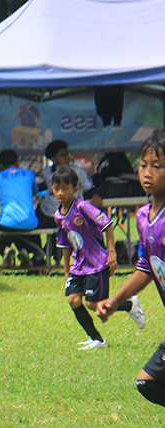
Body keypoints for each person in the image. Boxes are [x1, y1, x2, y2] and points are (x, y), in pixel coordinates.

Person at [97, 128, 165, 408]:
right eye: (143, 165)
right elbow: (146, 268)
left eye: (157, 166)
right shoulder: (143, 217)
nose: (147, 172)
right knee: (147, 382)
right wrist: (115, 301)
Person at [51, 166, 144, 350]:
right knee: (73, 300)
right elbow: (65, 245)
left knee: (92, 303)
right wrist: (66, 272)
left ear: (75, 189)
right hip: (78, 266)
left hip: (96, 263)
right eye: (57, 188)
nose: (60, 192)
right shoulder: (58, 216)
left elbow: (107, 224)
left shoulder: (82, 207)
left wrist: (111, 253)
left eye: (65, 188)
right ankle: (97, 340)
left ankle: (129, 304)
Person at [0, 148, 43, 268]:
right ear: (18, 162)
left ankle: (4, 250)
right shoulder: (29, 174)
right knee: (22, 227)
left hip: (7, 222)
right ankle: (27, 251)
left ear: (0, 165)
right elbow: (34, 191)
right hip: (30, 222)